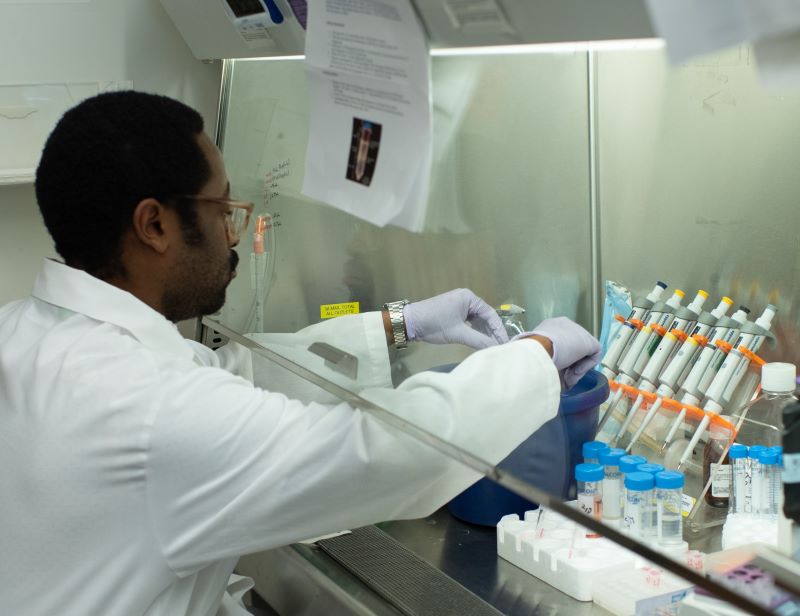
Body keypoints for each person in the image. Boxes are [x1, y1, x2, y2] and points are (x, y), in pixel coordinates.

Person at [0, 91, 601, 615]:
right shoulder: (147, 412)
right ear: (154, 225)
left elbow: (234, 374)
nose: (234, 236)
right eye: (224, 211)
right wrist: (535, 355)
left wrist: (399, 325)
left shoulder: (27, 334)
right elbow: (384, 456)